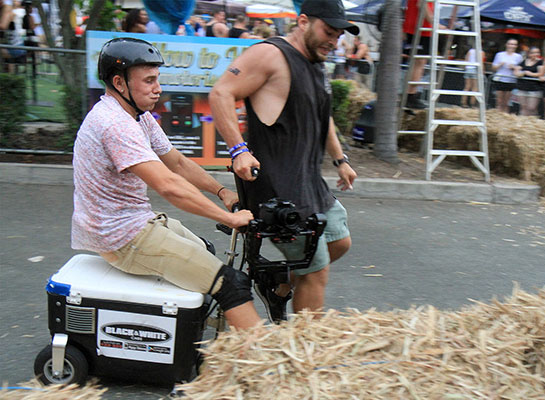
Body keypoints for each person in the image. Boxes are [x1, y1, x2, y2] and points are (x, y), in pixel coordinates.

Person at [72, 38, 261, 330]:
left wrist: (223, 193)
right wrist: (228, 218)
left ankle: (188, 333)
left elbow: (177, 163)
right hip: (122, 238)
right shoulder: (114, 124)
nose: (157, 88)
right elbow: (168, 185)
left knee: (205, 250)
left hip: (134, 223)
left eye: (157, 79)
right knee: (231, 283)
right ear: (120, 83)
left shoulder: (138, 117)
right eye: (148, 81)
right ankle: (265, 365)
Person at [209, 0, 358, 323]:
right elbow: (220, 93)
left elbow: (323, 116)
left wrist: (340, 159)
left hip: (308, 183)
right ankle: (305, 353)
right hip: (277, 190)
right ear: (303, 21)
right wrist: (239, 151)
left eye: (338, 35)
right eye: (328, 32)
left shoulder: (316, 61)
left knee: (339, 241)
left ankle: (277, 285)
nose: (333, 41)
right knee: (315, 271)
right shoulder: (271, 55)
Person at [402, 0, 446, 109]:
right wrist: (434, 23)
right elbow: (422, 4)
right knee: (419, 62)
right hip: (421, 26)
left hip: (414, 25)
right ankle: (410, 95)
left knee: (416, 62)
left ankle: (409, 95)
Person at [491, 38, 522, 113]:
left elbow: (520, 69)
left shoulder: (518, 56)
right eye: (510, 44)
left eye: (514, 44)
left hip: (511, 80)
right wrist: (500, 64)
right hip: (500, 79)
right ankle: (498, 115)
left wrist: (513, 67)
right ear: (506, 45)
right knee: (499, 101)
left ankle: (505, 116)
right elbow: (493, 68)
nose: (512, 46)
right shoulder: (499, 55)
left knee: (507, 102)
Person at [515, 46, 543, 116]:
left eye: (537, 52)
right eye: (533, 53)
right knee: (523, 107)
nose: (535, 54)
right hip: (522, 87)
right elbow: (516, 71)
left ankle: (533, 122)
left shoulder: (541, 62)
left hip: (535, 88)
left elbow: (541, 73)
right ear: (529, 53)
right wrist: (520, 73)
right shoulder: (524, 61)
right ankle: (522, 122)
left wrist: (530, 74)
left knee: (532, 108)